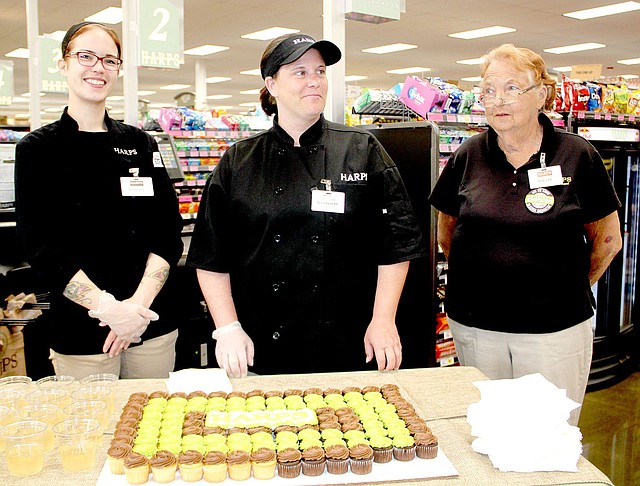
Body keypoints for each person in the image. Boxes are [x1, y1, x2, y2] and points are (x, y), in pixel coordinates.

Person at [187, 33, 425, 377]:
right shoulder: (239, 161)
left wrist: (383, 319)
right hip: (260, 344)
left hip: (350, 339)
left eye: (320, 71)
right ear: (272, 84)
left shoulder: (362, 149)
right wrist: (227, 329)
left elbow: (397, 245)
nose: (314, 81)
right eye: (299, 72)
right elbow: (211, 256)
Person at [429, 44, 622, 425]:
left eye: (513, 88)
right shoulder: (468, 155)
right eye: (488, 89)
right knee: (487, 430)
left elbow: (608, 240)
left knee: (547, 436)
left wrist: (562, 287)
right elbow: (447, 231)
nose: (498, 99)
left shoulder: (576, 155)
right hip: (476, 326)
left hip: (556, 330)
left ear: (541, 95)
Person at [15, 22, 183, 379]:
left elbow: (167, 231)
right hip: (81, 331)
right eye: (86, 56)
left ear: (118, 69)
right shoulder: (38, 149)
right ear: (63, 64)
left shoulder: (141, 144)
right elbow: (40, 246)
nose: (98, 68)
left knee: (155, 428)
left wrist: (136, 309)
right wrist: (107, 309)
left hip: (151, 324)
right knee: (92, 430)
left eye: (109, 60)